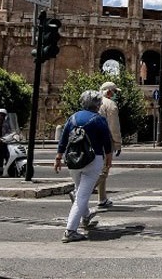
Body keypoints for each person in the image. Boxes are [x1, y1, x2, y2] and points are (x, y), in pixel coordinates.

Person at [55, 90, 113, 243]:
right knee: (82, 196)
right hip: (93, 161)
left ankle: (86, 216)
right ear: (97, 104)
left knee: (80, 191)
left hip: (73, 160)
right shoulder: (99, 119)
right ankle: (70, 231)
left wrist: (58, 157)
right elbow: (107, 142)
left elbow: (63, 139)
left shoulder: (73, 118)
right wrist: (109, 158)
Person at [95, 81, 122, 208]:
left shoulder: (94, 102)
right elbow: (114, 127)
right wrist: (117, 144)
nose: (116, 94)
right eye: (115, 92)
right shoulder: (110, 104)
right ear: (109, 92)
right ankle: (79, 193)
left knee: (98, 169)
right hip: (104, 141)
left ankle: (102, 198)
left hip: (90, 139)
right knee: (104, 170)